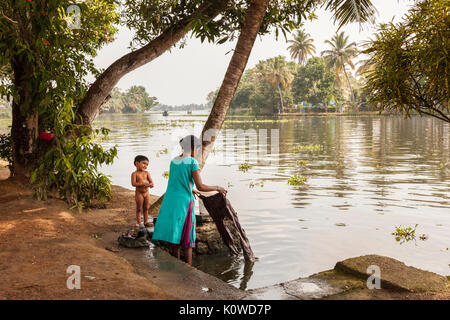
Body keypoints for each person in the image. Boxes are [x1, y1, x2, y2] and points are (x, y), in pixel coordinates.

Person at [152, 135, 227, 265]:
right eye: (198, 149)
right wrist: (218, 187)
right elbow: (201, 186)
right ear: (193, 148)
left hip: (171, 201)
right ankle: (188, 268)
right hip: (184, 203)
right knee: (187, 238)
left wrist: (190, 188)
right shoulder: (192, 162)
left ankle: (176, 265)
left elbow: (177, 181)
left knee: (175, 235)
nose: (198, 152)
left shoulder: (174, 161)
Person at [131, 155, 154, 228]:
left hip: (146, 193)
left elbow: (152, 183)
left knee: (146, 208)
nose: (145, 166)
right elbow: (133, 183)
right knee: (139, 208)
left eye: (147, 164)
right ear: (137, 163)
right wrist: (141, 183)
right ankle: (139, 223)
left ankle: (146, 221)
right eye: (144, 163)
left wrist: (150, 185)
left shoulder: (147, 173)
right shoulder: (134, 174)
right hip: (139, 193)